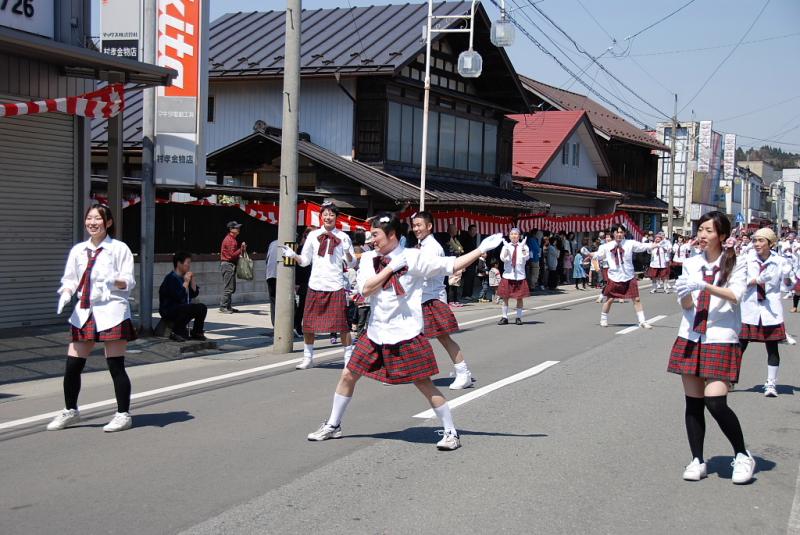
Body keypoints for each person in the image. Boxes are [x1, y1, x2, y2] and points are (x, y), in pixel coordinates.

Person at [306, 213, 504, 450]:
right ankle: (333, 424)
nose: (371, 239)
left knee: (424, 383)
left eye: (376, 235)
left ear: (392, 235)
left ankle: (451, 432)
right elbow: (366, 289)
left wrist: (480, 249)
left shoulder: (413, 257)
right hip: (375, 332)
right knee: (348, 374)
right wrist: (391, 267)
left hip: (406, 333)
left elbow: (450, 265)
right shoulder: (368, 258)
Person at [669, 211, 755, 484]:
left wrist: (704, 286)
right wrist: (684, 295)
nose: (702, 235)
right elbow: (688, 306)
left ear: (722, 235)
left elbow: (735, 295)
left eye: (709, 230)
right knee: (693, 403)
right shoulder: (691, 262)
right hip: (691, 335)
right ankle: (697, 459)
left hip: (720, 336)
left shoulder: (736, 262)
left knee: (715, 401)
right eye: (700, 229)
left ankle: (742, 454)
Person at [47, 204, 137, 433]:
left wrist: (113, 281)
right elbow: (70, 278)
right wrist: (66, 292)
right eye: (89, 218)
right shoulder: (78, 250)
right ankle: (70, 411)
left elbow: (129, 281)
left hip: (112, 310)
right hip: (84, 311)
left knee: (115, 365)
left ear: (108, 222)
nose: (92, 223)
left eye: (98, 218)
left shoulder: (119, 249)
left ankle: (123, 415)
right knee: (72, 365)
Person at [282, 203, 355, 370]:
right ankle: (308, 358)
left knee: (342, 325)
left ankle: (348, 359)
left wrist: (347, 252)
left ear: (337, 217)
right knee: (308, 324)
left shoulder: (344, 237)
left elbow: (352, 263)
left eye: (331, 215)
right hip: (315, 284)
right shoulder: (313, 235)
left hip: (335, 285)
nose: (328, 217)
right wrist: (294, 255)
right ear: (321, 217)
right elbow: (305, 261)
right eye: (325, 215)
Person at [412, 211, 476, 390]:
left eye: (419, 225)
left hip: (432, 298)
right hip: (421, 298)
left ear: (429, 226)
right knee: (409, 335)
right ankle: (405, 371)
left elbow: (427, 271)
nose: (416, 228)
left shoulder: (432, 247)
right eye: (414, 225)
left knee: (443, 338)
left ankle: (463, 373)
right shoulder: (422, 245)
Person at [739, 228, 792, 397]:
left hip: (771, 310)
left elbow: (787, 287)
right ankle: (730, 379)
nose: (756, 244)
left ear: (771, 244)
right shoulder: (746, 259)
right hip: (749, 308)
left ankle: (771, 384)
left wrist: (788, 277)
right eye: (755, 240)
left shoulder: (780, 261)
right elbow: (737, 282)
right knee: (740, 346)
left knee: (772, 347)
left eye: (761, 241)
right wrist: (756, 280)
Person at [587, 224, 657, 328]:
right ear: (613, 233)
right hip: (614, 276)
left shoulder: (630, 243)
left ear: (624, 233)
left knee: (636, 299)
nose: (619, 234)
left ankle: (642, 321)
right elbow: (599, 255)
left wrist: (653, 245)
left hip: (629, 275)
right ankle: (603, 319)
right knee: (610, 299)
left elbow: (642, 246)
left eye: (621, 232)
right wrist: (590, 254)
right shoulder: (606, 246)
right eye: (617, 232)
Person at [158, 251, 207, 342]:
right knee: (186, 308)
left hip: (181, 307)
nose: (189, 266)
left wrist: (192, 279)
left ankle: (197, 332)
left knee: (202, 308)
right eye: (187, 263)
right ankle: (177, 332)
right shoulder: (171, 278)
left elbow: (194, 294)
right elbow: (179, 296)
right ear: (179, 263)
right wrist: (186, 282)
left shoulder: (183, 277)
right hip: (169, 309)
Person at [497, 228, 530, 325]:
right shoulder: (506, 246)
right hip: (508, 275)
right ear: (509, 236)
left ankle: (518, 317)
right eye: (511, 234)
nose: (513, 236)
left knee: (519, 298)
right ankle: (504, 317)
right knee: (505, 297)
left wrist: (523, 247)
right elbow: (503, 258)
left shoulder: (524, 246)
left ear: (519, 236)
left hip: (520, 276)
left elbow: (526, 257)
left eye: (516, 234)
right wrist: (507, 249)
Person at [219, 221, 246, 313]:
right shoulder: (230, 240)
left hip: (229, 264)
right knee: (229, 287)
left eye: (238, 227)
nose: (238, 229)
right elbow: (231, 255)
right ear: (231, 229)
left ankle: (228, 306)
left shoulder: (232, 239)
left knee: (230, 287)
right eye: (236, 228)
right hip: (228, 264)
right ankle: (223, 306)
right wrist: (241, 249)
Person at [460, 224, 479, 300]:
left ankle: (470, 294)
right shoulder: (466, 239)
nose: (474, 232)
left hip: (473, 262)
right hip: (467, 262)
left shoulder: (473, 239)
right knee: (468, 279)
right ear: (469, 231)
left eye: (475, 230)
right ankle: (465, 294)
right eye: (473, 230)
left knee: (471, 278)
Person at [265, 239, 278, 329]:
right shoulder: (290, 244)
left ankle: (275, 324)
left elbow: (267, 259)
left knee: (273, 300)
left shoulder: (272, 243)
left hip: (270, 275)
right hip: (282, 277)